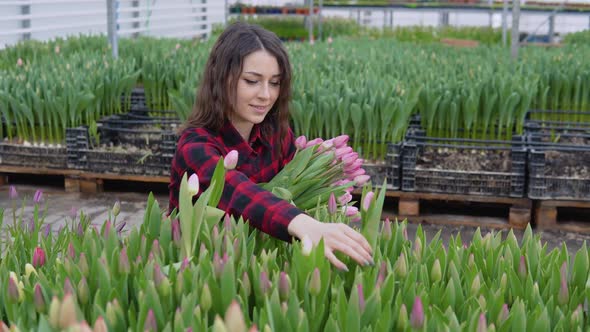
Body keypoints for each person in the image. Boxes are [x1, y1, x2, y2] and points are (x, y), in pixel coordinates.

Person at [169, 22, 373, 270]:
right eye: (252, 81)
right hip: (201, 267)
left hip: (258, 265)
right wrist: (304, 224)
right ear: (221, 79)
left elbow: (294, 194)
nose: (266, 95)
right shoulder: (195, 145)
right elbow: (235, 190)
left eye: (274, 83)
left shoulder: (275, 136)